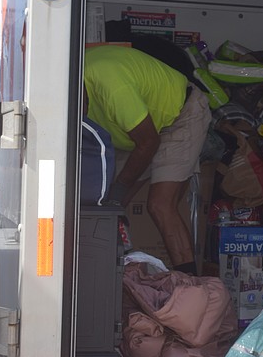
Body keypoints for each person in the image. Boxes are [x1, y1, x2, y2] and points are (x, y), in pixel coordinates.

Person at [84, 44, 212, 275]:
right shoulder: (69, 81)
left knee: (160, 204)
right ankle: (107, 277)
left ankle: (190, 286)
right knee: (104, 206)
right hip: (133, 133)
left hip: (180, 117)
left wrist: (121, 188)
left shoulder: (111, 87)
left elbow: (148, 143)